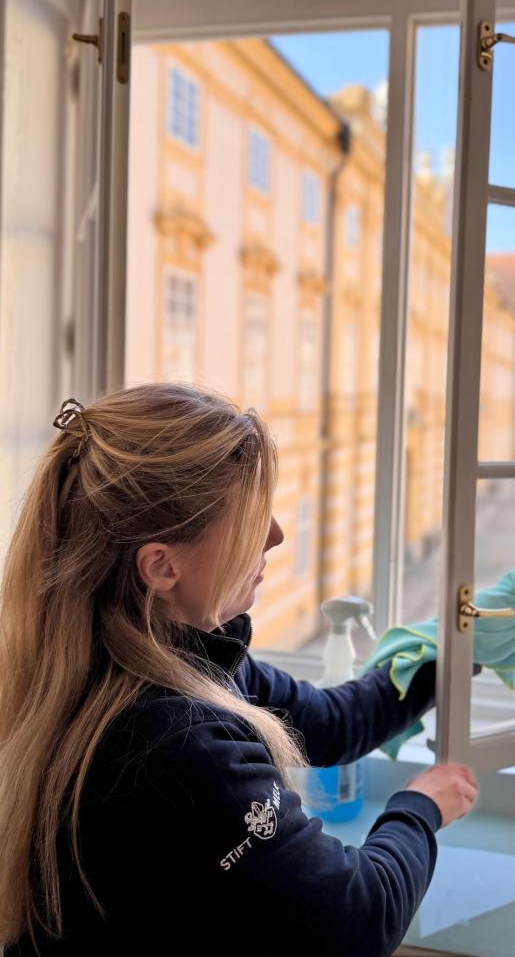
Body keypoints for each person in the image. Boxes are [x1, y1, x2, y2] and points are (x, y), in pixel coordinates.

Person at [0, 384, 479, 956]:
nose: (275, 534)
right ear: (161, 566)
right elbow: (357, 920)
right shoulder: (173, 742)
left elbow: (327, 721)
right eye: (251, 519)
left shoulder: (165, 652)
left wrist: (447, 655)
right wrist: (420, 807)